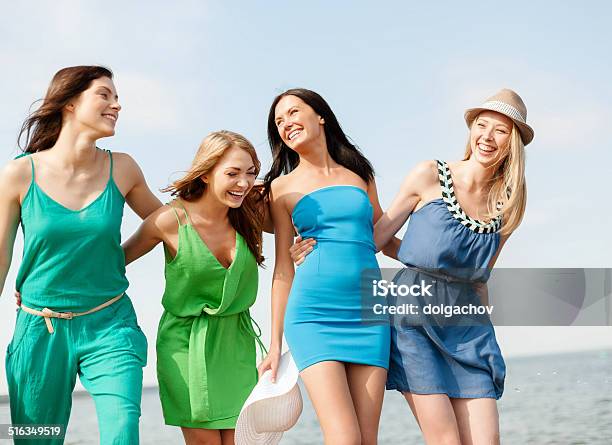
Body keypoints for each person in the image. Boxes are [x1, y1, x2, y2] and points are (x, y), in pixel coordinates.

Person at [0, 66, 161, 444]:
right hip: (40, 329)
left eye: (116, 96)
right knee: (35, 437)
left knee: (122, 430)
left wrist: (115, 259)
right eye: (104, 94)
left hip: (110, 323)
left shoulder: (122, 168)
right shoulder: (19, 175)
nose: (116, 104)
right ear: (70, 102)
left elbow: (168, 225)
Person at [374, 88, 533, 445]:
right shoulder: (429, 174)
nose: (487, 137)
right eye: (482, 125)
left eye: (500, 130)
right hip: (412, 319)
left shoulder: (509, 204)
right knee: (446, 441)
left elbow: (479, 276)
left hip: (466, 324)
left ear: (513, 142)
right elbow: (379, 239)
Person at [258, 88, 398, 445]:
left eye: (292, 112)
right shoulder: (280, 187)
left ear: (319, 115)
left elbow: (383, 236)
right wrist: (274, 345)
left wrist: (439, 258)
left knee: (367, 438)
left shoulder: (360, 174)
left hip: (369, 313)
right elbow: (282, 269)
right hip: (314, 316)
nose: (286, 123)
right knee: (344, 436)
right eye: (279, 121)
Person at [122, 130, 266, 445]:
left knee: (243, 441)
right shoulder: (168, 220)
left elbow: (304, 223)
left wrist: (302, 249)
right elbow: (113, 264)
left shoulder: (251, 214)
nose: (244, 183)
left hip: (236, 347)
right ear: (205, 173)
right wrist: (45, 286)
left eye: (251, 173)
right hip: (185, 348)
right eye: (232, 173)